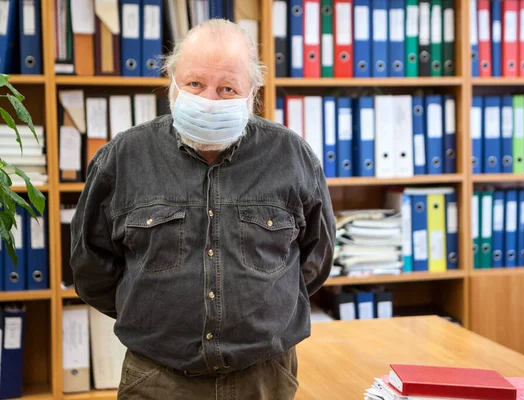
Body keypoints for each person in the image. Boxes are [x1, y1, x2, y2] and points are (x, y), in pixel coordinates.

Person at [70, 19, 335, 399]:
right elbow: (91, 265)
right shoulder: (122, 158)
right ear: (171, 79)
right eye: (194, 84)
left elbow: (314, 260)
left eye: (227, 88)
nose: (208, 100)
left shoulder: (292, 157)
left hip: (264, 378)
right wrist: (155, 318)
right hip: (157, 377)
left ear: (253, 92)